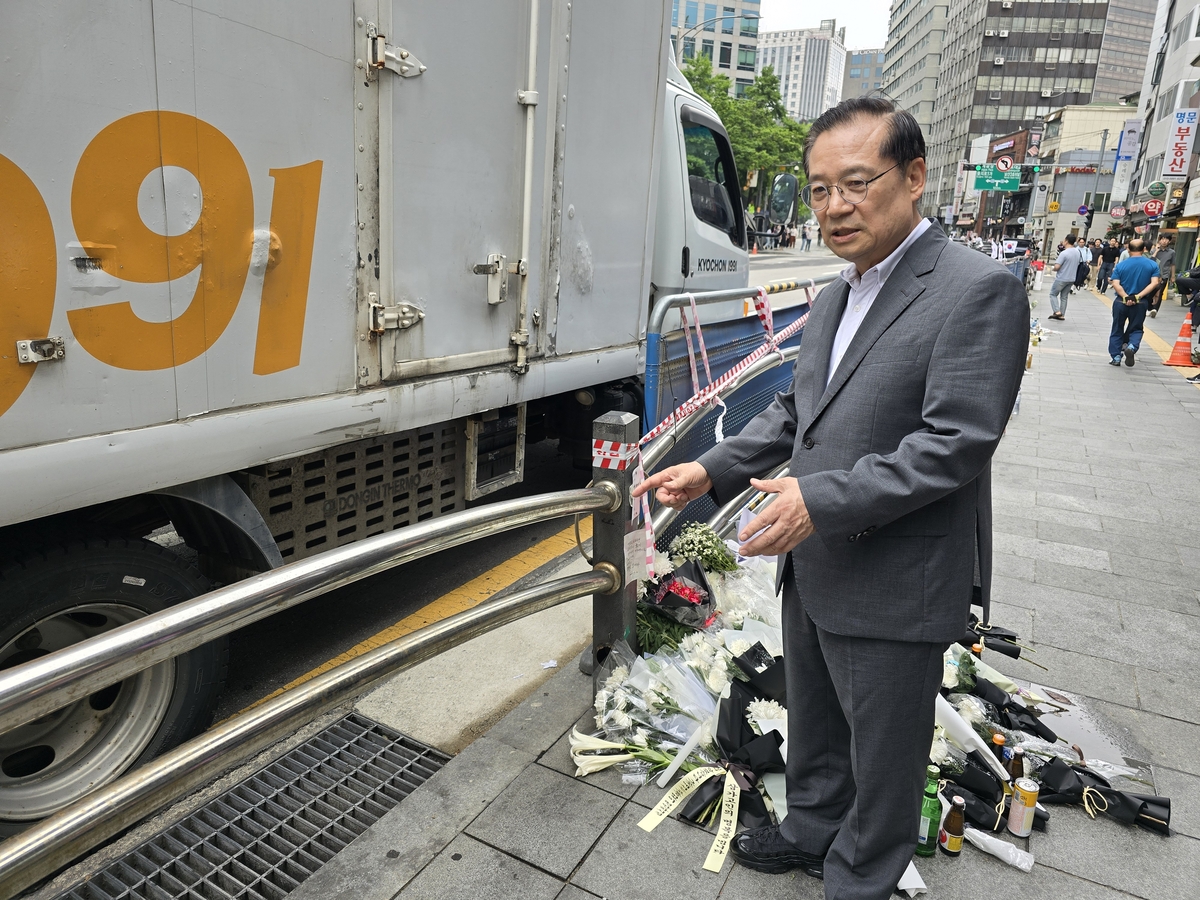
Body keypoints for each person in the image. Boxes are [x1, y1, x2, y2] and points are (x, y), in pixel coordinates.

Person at [632, 97, 1028, 900]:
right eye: (818, 190)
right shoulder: (839, 292)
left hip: (893, 571)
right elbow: (793, 414)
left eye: (855, 182)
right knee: (812, 717)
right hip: (811, 561)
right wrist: (710, 470)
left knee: (884, 749)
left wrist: (822, 500)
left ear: (913, 178)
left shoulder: (976, 289)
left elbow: (957, 443)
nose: (833, 207)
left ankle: (860, 875)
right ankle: (811, 828)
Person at [1108, 238, 1161, 367]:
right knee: (1136, 328)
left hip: (1121, 302)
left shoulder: (1121, 265)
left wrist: (1126, 297)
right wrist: (1138, 297)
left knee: (1117, 328)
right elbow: (1155, 283)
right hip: (1140, 303)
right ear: (1144, 249)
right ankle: (1131, 346)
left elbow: (1115, 283)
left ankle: (1116, 357)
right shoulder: (1152, 265)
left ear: (1128, 249)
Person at [1049, 234, 1083, 320]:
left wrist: (1051, 268)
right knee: (1064, 296)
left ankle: (1057, 311)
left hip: (1062, 277)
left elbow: (1057, 267)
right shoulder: (1077, 252)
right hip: (1072, 278)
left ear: (1066, 241)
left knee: (1053, 294)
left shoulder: (1064, 253)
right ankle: (1062, 314)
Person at [1149, 235, 1175, 318]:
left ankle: (1155, 309)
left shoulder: (1171, 252)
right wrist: (1157, 250)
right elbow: (1150, 261)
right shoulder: (1153, 251)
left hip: (1164, 275)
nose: (1164, 241)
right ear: (1159, 240)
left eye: (1166, 239)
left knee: (1159, 292)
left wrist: (1173, 276)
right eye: (1162, 239)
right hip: (1152, 275)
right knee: (1150, 292)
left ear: (1169, 241)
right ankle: (1150, 308)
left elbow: (1172, 264)